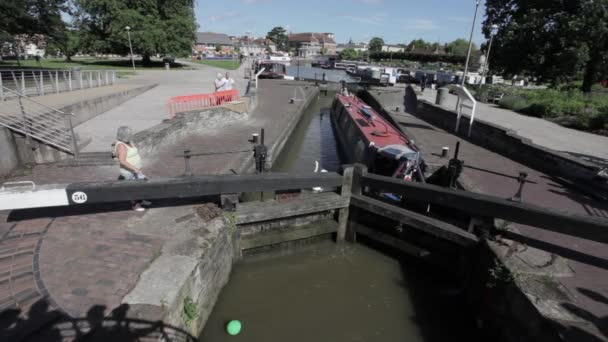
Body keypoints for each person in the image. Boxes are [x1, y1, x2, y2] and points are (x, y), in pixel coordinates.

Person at [114, 126, 149, 211]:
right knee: (133, 188)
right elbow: (122, 161)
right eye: (129, 134)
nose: (131, 135)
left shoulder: (129, 142)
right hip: (128, 171)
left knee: (140, 186)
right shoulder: (121, 146)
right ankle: (135, 205)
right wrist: (134, 169)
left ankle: (140, 201)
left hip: (135, 170)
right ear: (124, 135)